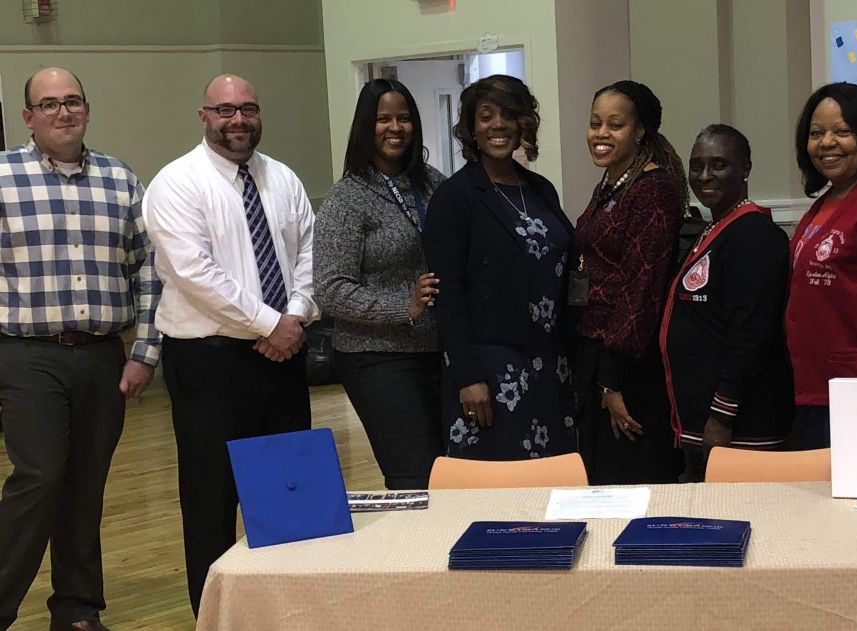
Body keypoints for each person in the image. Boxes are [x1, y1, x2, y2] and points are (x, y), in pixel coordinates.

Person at [142, 74, 318, 616]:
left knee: (289, 492)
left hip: (282, 357)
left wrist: (295, 315)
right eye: (225, 110)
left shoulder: (283, 178)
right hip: (209, 362)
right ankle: (218, 617)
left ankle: (288, 612)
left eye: (248, 109)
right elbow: (197, 274)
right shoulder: (176, 183)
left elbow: (311, 252)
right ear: (203, 116)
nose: (237, 120)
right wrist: (272, 323)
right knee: (211, 499)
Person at [0, 67, 161, 631]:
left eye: (72, 102)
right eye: (49, 104)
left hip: (100, 355)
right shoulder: (2, 177)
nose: (63, 112)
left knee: (86, 483)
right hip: (26, 354)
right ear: (28, 117)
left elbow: (149, 269)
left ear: (87, 109)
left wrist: (144, 350)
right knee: (39, 477)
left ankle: (76, 609)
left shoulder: (120, 179)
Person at [423, 75, 577, 460]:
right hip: (492, 368)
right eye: (486, 116)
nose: (498, 125)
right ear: (471, 129)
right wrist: (468, 376)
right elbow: (448, 294)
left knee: (555, 472)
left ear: (524, 122)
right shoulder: (454, 197)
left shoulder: (540, 189)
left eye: (509, 114)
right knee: (501, 476)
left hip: (550, 360)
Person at [313, 79, 445, 489]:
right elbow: (330, 288)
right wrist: (402, 306)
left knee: (448, 472)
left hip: (437, 350)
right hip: (378, 357)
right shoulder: (347, 197)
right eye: (383, 119)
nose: (395, 128)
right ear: (364, 127)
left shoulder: (432, 182)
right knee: (414, 475)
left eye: (403, 118)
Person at [659, 124, 793, 482]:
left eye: (718, 165)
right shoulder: (714, 228)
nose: (704, 176)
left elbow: (751, 335)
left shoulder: (754, 236)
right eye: (696, 165)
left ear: (745, 169)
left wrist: (721, 416)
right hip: (703, 424)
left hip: (738, 428)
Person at [573, 80, 686, 485]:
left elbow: (642, 290)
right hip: (597, 354)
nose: (601, 134)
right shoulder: (612, 183)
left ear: (639, 131)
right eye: (595, 123)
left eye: (615, 125)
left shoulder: (652, 190)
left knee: (628, 479)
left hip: (627, 368)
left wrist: (611, 381)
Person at [786, 82, 857, 450]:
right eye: (816, 133)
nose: (827, 142)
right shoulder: (828, 200)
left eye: (843, 131)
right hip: (816, 389)